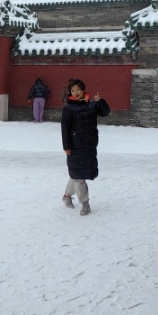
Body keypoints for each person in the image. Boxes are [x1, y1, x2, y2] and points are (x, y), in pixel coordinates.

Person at [61, 79, 111, 216]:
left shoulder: (92, 104)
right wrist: (66, 146)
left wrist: (100, 101)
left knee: (77, 173)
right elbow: (65, 128)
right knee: (79, 177)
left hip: (89, 144)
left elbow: (105, 113)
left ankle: (66, 196)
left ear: (83, 90)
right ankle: (85, 203)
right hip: (75, 145)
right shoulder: (68, 108)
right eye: (73, 90)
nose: (75, 93)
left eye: (77, 90)